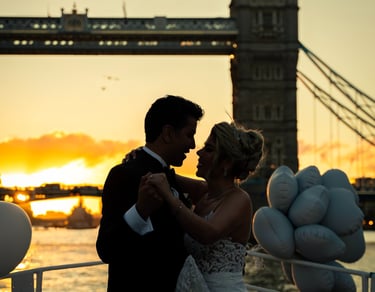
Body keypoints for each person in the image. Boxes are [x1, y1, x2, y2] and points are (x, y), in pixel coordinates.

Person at [96, 95, 205, 291]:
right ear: (168, 133)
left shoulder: (170, 177)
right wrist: (140, 211)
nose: (193, 145)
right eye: (190, 134)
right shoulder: (124, 174)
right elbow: (106, 249)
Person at [144, 121, 265, 291]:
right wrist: (141, 157)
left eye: (208, 149)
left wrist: (169, 197)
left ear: (226, 163)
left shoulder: (239, 199)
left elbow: (208, 233)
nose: (199, 152)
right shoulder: (204, 192)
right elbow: (166, 175)